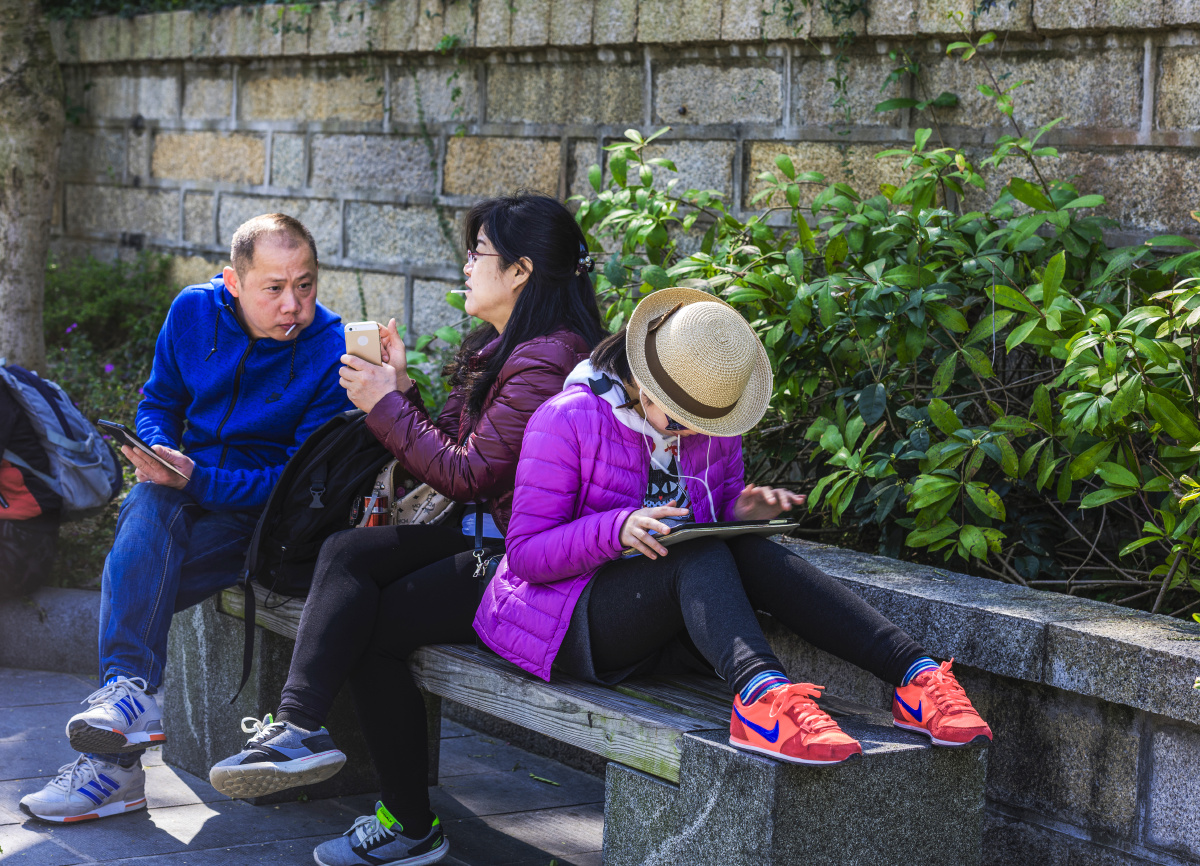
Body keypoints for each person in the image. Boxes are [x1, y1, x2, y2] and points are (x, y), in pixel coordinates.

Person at [207, 193, 605, 866]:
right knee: (350, 556)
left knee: (372, 617)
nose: (467, 265)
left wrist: (384, 406)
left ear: (520, 271)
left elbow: (468, 474)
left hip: (526, 561)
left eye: (478, 253)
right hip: (487, 537)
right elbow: (457, 447)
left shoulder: (548, 359)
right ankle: (304, 733)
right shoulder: (510, 346)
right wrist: (400, 391)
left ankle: (392, 809)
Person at [475, 286, 992, 771]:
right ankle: (762, 699)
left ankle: (916, 678)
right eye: (680, 419)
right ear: (645, 381)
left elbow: (715, 518)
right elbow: (525, 554)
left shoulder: (711, 424)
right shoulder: (566, 418)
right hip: (574, 622)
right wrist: (616, 529)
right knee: (697, 555)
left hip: (672, 618)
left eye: (705, 422)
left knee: (750, 550)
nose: (695, 432)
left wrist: (742, 513)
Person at [19, 214, 354, 824]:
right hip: (179, 493)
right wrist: (157, 452)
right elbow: (160, 401)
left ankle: (116, 762)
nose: (294, 305)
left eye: (305, 285)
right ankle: (130, 701)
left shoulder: (329, 351)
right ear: (233, 282)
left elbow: (293, 484)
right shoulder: (192, 311)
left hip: (260, 521)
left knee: (135, 573)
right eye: (274, 288)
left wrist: (197, 479)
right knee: (146, 505)